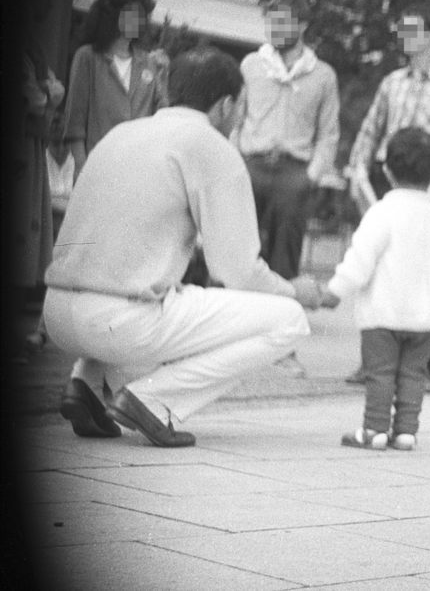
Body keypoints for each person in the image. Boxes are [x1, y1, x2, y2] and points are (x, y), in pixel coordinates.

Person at [43, 48, 321, 448]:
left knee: (153, 283)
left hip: (58, 314)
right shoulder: (212, 146)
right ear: (226, 105)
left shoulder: (122, 132)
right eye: (240, 107)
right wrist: (297, 290)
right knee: (289, 319)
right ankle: (155, 401)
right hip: (117, 321)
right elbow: (237, 271)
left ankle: (85, 384)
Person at [344, 5, 430, 389]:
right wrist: (358, 169)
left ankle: (419, 368)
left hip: (427, 188)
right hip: (389, 182)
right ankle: (373, 363)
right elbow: (370, 128)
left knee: (420, 273)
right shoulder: (391, 82)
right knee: (378, 270)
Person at [321, 128, 430, 450]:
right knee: (414, 375)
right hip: (425, 321)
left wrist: (335, 291)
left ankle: (374, 430)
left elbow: (360, 259)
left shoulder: (382, 213)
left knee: (380, 374)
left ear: (386, 170)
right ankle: (407, 432)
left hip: (383, 316)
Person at [235, 0, 340, 281]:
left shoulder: (323, 75)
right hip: (251, 166)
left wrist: (311, 176)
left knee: (285, 257)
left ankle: (278, 317)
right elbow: (236, 119)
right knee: (238, 247)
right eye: (271, 23)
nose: (275, 30)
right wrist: (235, 162)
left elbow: (328, 133)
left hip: (293, 173)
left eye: (282, 22)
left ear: (302, 25)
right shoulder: (251, 65)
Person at [64, 0, 168, 181]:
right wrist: (82, 166)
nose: (139, 19)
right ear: (113, 13)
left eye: (143, 14)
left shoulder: (148, 62)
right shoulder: (88, 57)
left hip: (136, 173)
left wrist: (164, 80)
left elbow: (162, 119)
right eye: (132, 12)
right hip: (96, 169)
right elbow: (75, 121)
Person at [12, 0, 65, 360]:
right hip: (18, 142)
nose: (48, 5)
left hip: (28, 141)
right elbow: (36, 96)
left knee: (27, 230)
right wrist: (49, 89)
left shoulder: (31, 43)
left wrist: (47, 90)